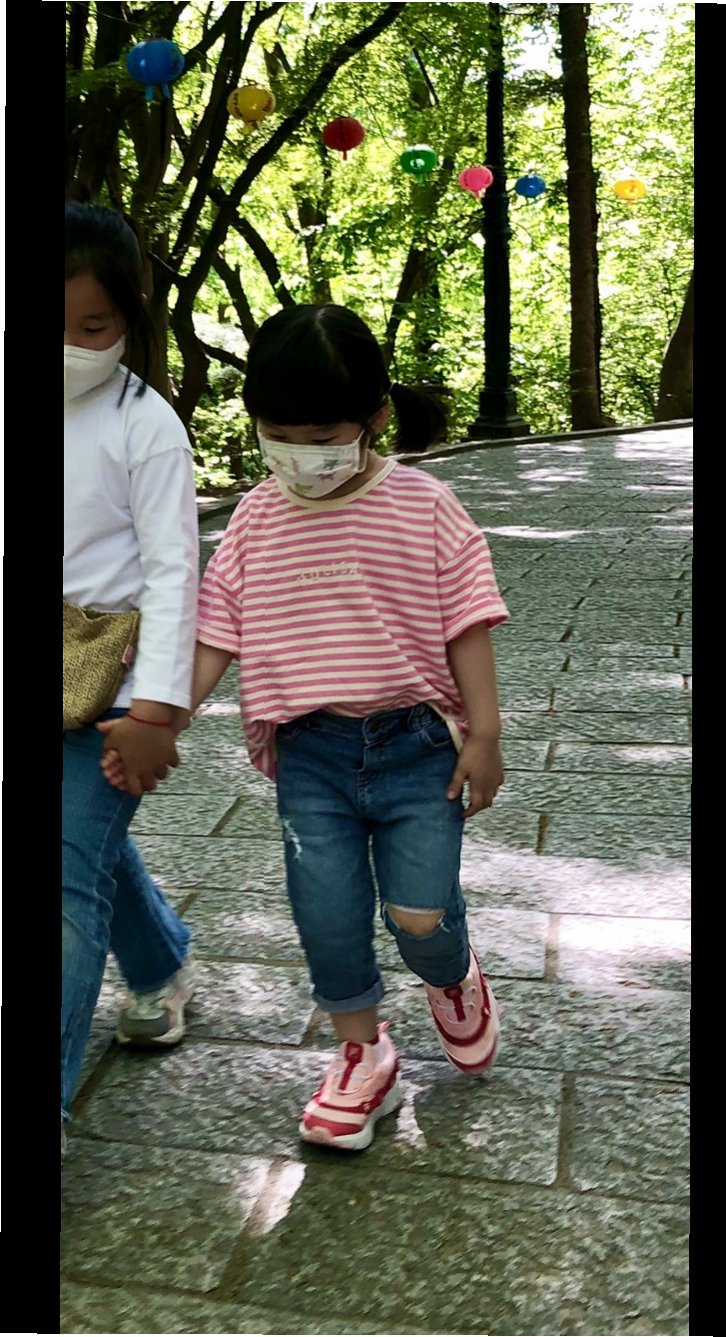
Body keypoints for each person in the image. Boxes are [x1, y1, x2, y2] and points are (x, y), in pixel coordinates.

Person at [106, 303, 509, 1153]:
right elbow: (216, 634)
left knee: (420, 915)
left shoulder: (426, 506)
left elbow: (467, 623)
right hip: (310, 755)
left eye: (321, 436)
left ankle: (452, 975)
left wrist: (485, 733)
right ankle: (362, 1053)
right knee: (325, 913)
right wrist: (162, 717)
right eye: (278, 435)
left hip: (418, 748)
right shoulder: (256, 518)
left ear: (375, 418)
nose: (299, 454)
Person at [63, 202, 199, 1148]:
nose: (70, 347)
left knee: (62, 881)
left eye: (92, 326)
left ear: (129, 319)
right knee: (84, 848)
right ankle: (161, 963)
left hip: (104, 694)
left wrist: (156, 710)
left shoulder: (145, 425)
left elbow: (174, 572)